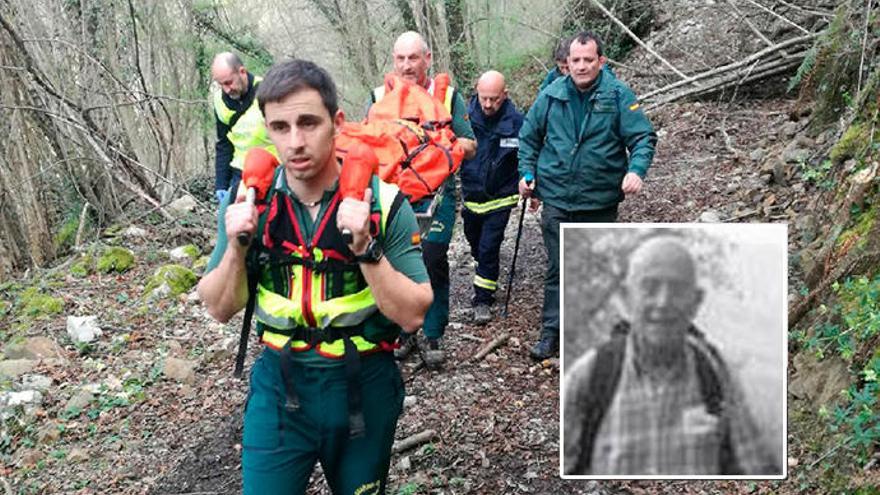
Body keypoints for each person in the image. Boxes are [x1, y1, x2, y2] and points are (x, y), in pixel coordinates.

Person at [198, 59, 433, 494]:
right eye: (281, 127)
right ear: (267, 129)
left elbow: (414, 313)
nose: (296, 141)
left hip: (363, 388)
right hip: (280, 391)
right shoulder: (251, 200)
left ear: (337, 123)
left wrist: (365, 247)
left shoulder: (383, 202)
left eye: (309, 123)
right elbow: (217, 305)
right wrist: (237, 245)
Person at [562, 236, 779, 476]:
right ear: (626, 298)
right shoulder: (591, 376)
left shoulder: (714, 373)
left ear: (695, 302)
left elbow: (756, 468)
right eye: (650, 287)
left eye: (677, 289)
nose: (663, 302)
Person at [518, 31, 657, 360]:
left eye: (588, 60)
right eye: (575, 60)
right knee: (558, 267)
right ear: (567, 63)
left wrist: (636, 171)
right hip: (557, 197)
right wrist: (527, 175)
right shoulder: (550, 96)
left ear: (601, 62)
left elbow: (642, 137)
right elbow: (529, 139)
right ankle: (551, 332)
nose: (581, 66)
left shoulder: (619, 95)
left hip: (599, 200)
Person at [369, 31, 477, 366]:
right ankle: (404, 330)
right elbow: (364, 145)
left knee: (431, 258)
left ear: (427, 59)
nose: (406, 66)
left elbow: (470, 145)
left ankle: (433, 333)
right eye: (400, 59)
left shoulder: (448, 97)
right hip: (392, 196)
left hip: (437, 195)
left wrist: (440, 145)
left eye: (413, 58)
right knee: (395, 261)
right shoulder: (377, 97)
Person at [459, 70, 523, 325]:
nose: (488, 104)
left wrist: (531, 184)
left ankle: (483, 299)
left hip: (501, 198)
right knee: (475, 242)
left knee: (488, 247)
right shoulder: (463, 118)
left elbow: (527, 155)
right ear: (476, 91)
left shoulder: (517, 122)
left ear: (504, 95)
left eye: (494, 99)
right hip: (472, 197)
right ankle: (484, 268)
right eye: (484, 98)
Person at [211, 52, 277, 204]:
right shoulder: (219, 102)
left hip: (272, 170)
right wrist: (221, 183)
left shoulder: (268, 91)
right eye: (221, 84)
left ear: (242, 72)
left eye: (229, 82)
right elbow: (224, 143)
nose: (227, 89)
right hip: (239, 173)